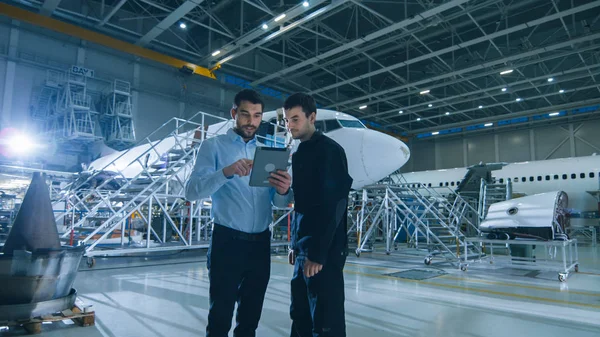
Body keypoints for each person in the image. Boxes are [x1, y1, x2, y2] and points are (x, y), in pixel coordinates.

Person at [185, 89, 293, 337]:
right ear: (234, 113)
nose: (251, 122)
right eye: (245, 115)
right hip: (227, 242)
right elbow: (191, 192)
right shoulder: (213, 147)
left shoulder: (269, 151)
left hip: (260, 244)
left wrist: (284, 190)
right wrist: (227, 171)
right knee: (221, 315)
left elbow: (277, 202)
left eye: (256, 116)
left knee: (250, 317)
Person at [284, 93, 353, 337]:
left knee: (325, 324)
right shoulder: (301, 152)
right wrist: (296, 245)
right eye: (286, 120)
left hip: (323, 254)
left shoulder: (329, 151)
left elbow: (334, 206)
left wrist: (317, 253)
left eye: (295, 119)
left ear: (312, 117)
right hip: (304, 251)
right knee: (300, 317)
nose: (290, 125)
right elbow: (302, 205)